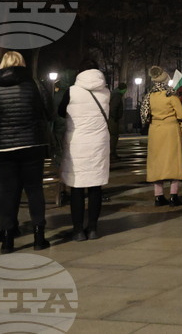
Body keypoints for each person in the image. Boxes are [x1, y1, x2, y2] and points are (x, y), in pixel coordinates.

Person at [0, 51, 52, 252]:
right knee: (34, 190)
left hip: (2, 146)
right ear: (22, 65)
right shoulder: (34, 85)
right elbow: (50, 111)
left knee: (7, 191)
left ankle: (7, 239)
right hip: (32, 144)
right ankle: (39, 237)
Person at [58, 59, 112, 238]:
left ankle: (78, 230)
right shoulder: (106, 92)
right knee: (96, 186)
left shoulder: (72, 91)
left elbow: (59, 111)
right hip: (99, 142)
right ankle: (93, 228)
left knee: (77, 187)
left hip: (78, 142)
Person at [142, 66, 182, 206]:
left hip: (155, 130)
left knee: (157, 162)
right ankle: (174, 195)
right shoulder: (171, 95)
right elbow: (181, 114)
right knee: (173, 161)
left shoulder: (149, 95)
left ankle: (158, 196)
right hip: (170, 130)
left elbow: (144, 115)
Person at [108, 82, 126, 160]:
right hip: (113, 120)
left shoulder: (113, 94)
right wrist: (115, 117)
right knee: (114, 136)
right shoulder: (117, 96)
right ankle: (112, 153)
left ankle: (112, 153)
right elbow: (114, 108)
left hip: (111, 119)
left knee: (112, 136)